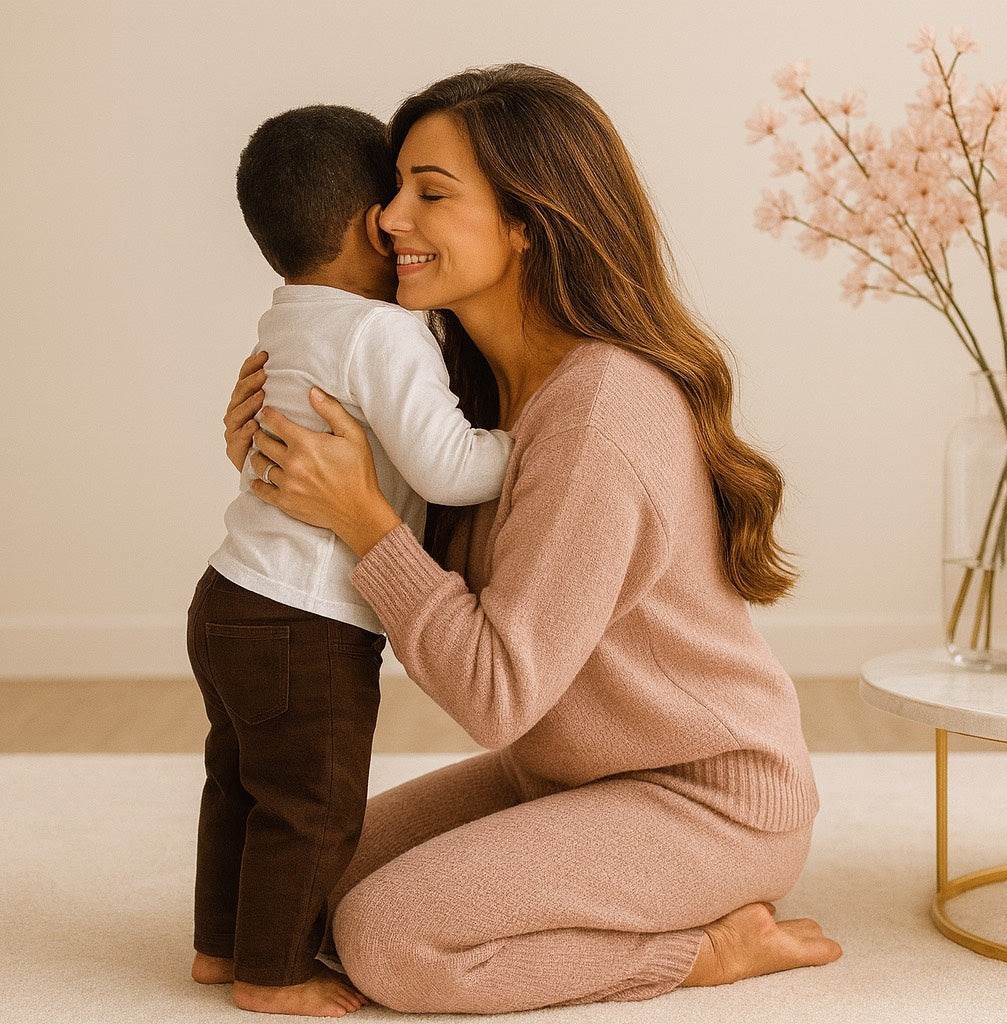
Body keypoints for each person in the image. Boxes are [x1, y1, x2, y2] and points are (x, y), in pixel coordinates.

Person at [227, 64, 842, 1016]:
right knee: (294, 898)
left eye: (431, 194)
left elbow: (495, 691)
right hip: (562, 781)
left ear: (527, 220)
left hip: (706, 800)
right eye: (394, 192)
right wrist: (283, 469)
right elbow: (420, 586)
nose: (388, 220)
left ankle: (709, 948)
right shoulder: (473, 403)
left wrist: (361, 515)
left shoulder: (601, 409)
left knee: (388, 942)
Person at [189, 104, 512, 1018]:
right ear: (372, 220)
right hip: (307, 616)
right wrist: (531, 440)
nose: (406, 218)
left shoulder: (287, 317)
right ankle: (275, 974)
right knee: (314, 803)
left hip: (230, 595)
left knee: (239, 783)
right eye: (398, 197)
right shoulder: (383, 332)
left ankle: (221, 947)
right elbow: (449, 470)